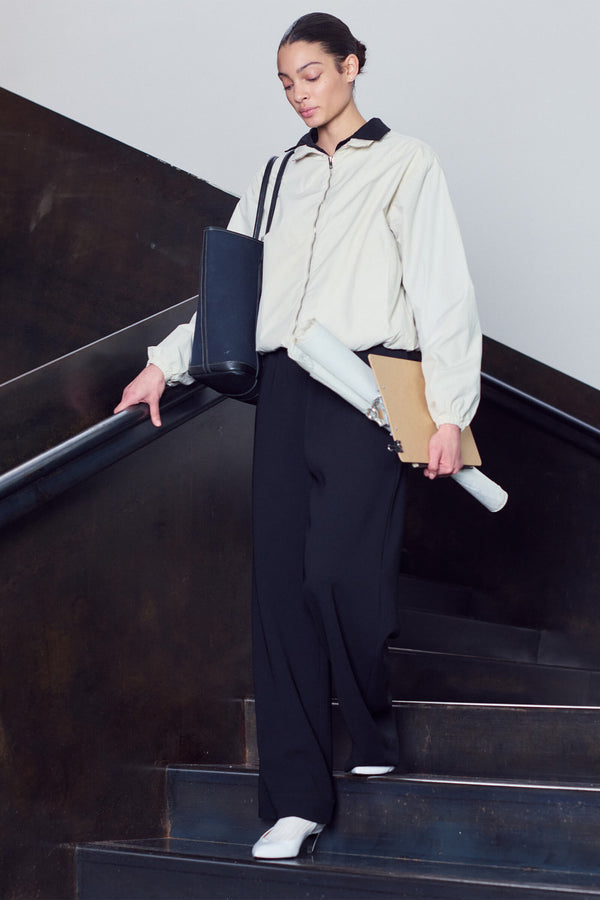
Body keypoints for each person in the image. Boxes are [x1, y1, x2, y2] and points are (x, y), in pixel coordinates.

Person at [115, 12, 481, 861]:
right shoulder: (275, 173)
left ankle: (372, 720)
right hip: (283, 388)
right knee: (280, 591)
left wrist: (451, 411)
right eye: (285, 81)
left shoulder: (405, 162)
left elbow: (444, 289)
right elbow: (233, 288)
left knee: (339, 578)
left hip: (371, 391)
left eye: (310, 75)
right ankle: (295, 802)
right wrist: (162, 366)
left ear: (353, 67)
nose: (297, 94)